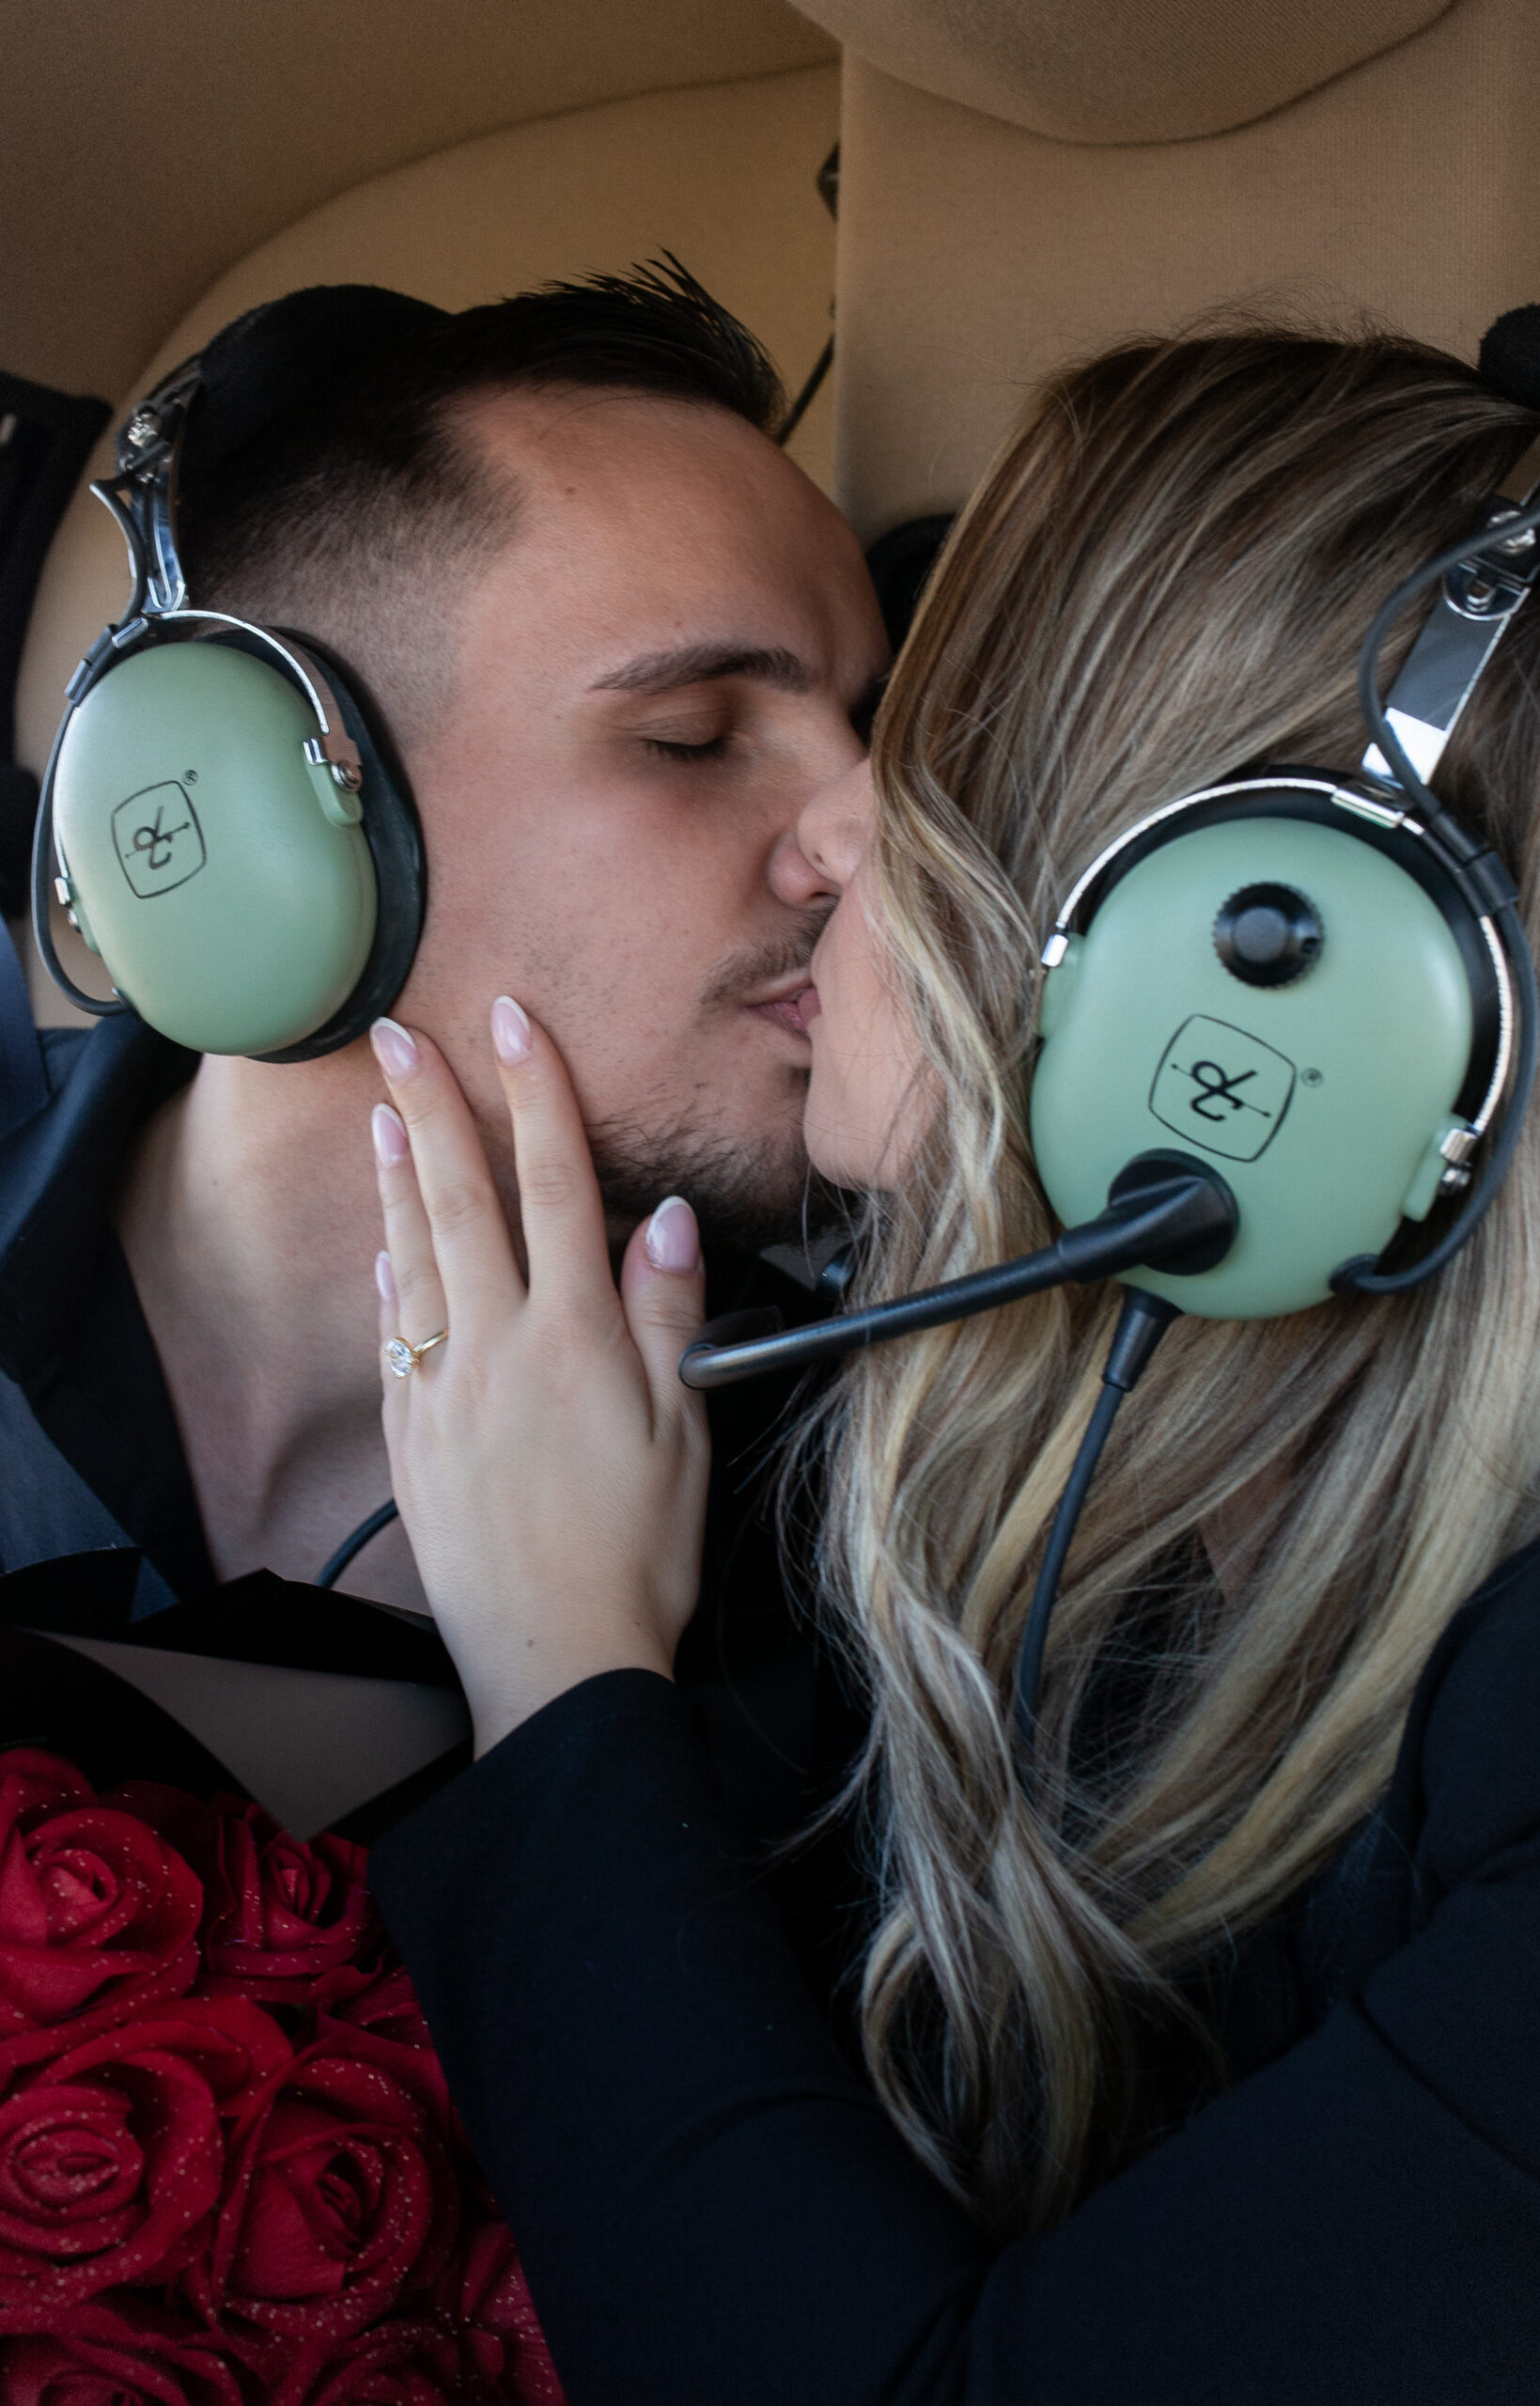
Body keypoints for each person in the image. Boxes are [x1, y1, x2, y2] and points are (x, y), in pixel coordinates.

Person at [364, 328, 1540, 2399]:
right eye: (694, 735)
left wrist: (561, 1670)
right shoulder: (1125, 1563)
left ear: (1259, 963)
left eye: (929, 752)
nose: (833, 846)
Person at [0, 261, 886, 1838]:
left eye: (869, 737)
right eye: (691, 736)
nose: (867, 841)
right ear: (258, 816)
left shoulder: (879, 1548)